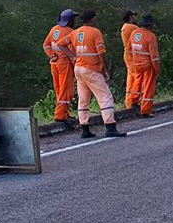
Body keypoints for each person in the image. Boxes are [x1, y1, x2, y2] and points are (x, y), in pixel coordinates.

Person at [54, 10, 126, 139]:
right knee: (105, 97)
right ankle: (110, 126)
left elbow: (60, 44)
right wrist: (105, 69)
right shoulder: (95, 32)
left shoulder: (75, 32)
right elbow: (101, 52)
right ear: (92, 19)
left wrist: (73, 56)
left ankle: (85, 129)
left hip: (79, 69)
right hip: (92, 69)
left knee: (83, 100)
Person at [41, 8, 79, 128]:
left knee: (59, 89)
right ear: (70, 20)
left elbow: (46, 45)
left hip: (54, 63)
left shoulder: (54, 29)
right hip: (64, 64)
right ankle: (60, 115)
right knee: (66, 89)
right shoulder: (70, 32)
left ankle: (65, 113)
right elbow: (73, 50)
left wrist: (52, 55)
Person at [128, 15, 161, 117]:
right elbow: (154, 57)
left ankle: (133, 102)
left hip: (136, 64)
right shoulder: (151, 36)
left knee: (137, 83)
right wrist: (157, 70)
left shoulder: (134, 33)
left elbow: (129, 48)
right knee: (148, 87)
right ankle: (146, 110)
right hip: (147, 65)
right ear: (150, 25)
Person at [120, 11, 140, 109]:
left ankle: (129, 102)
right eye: (134, 16)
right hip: (133, 55)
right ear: (130, 17)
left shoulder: (124, 27)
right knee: (138, 77)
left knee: (131, 79)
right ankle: (135, 100)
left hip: (128, 55)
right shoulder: (132, 28)